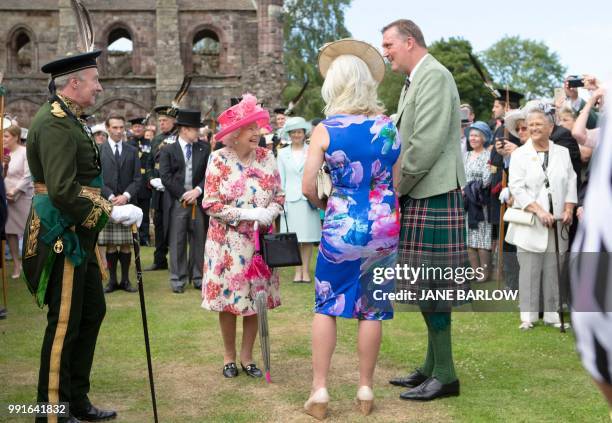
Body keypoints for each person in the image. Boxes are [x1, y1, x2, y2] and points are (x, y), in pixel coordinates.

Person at [24, 50, 142, 422]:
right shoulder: (56, 122)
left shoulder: (72, 119)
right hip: (63, 234)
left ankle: (76, 400)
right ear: (74, 84)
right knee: (64, 323)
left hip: (79, 234)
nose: (100, 86)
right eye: (95, 80)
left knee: (91, 311)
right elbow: (60, 189)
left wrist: (106, 200)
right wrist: (109, 210)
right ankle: (51, 411)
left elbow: (83, 178)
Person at [301, 38, 400, 419]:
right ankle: (365, 389)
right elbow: (394, 180)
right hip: (383, 224)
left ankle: (321, 391)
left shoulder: (326, 129)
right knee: (372, 309)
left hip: (342, 224)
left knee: (327, 304)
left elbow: (308, 186)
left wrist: (327, 205)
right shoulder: (386, 126)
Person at [382, 19, 467, 401]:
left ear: (409, 41)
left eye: (389, 45)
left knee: (432, 284)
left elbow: (424, 145)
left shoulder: (432, 75)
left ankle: (446, 375)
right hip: (423, 194)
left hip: (431, 193)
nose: (385, 52)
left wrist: (394, 192)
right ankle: (433, 367)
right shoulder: (416, 79)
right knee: (424, 283)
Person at [201, 94, 284, 379]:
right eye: (251, 129)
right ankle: (228, 357)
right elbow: (210, 203)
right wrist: (249, 215)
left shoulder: (267, 157)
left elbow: (280, 196)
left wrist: (269, 212)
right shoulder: (218, 159)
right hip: (225, 245)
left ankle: (248, 357)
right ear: (235, 134)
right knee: (228, 300)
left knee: (254, 302)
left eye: (259, 128)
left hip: (257, 245)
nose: (258, 133)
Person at [505, 108, 577, 330]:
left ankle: (552, 314)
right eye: (531, 125)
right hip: (531, 220)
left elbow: (571, 181)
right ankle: (528, 316)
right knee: (529, 269)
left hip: (558, 222)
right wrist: (539, 211)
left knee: (554, 267)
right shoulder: (519, 154)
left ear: (550, 128)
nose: (534, 128)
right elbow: (516, 186)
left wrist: (569, 209)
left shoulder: (562, 152)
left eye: (539, 124)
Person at [159, 109, 210, 293]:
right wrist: (183, 194)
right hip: (177, 202)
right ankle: (178, 279)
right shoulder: (167, 150)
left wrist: (197, 191)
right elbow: (165, 176)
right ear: (185, 130)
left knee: (199, 240)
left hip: (198, 202)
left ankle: (198, 277)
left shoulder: (204, 149)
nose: (199, 132)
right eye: (196, 129)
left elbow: (209, 174)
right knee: (178, 241)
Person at [98, 115, 141, 293]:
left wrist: (125, 195)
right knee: (110, 244)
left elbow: (138, 179)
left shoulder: (132, 150)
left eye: (121, 127)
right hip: (107, 203)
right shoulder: (99, 150)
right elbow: (96, 178)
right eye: (115, 127)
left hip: (127, 204)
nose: (118, 131)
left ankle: (125, 281)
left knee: (125, 243)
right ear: (108, 128)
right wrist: (110, 196)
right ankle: (112, 281)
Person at [277, 116, 321, 283]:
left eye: (299, 132)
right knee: (295, 238)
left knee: (308, 238)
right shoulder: (282, 153)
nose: (297, 135)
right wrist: (282, 201)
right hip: (290, 199)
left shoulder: (312, 150)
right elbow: (280, 179)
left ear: (304, 133)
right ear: (289, 134)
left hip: (308, 198)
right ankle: (297, 271)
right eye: (294, 132)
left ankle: (306, 271)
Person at [145, 105, 176, 271]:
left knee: (173, 224)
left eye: (165, 120)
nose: (162, 124)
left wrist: (168, 181)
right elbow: (149, 162)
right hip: (158, 188)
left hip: (172, 189)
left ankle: (176, 260)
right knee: (158, 223)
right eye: (160, 121)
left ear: (173, 121)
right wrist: (151, 179)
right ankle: (159, 259)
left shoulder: (178, 138)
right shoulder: (156, 139)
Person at [463, 121, 492, 282]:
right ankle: (474, 272)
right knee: (469, 240)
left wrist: (471, 188)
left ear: (484, 138)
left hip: (480, 202)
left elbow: (487, 179)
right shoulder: (466, 155)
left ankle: (484, 273)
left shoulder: (488, 156)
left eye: (476, 135)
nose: (472, 138)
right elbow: (460, 175)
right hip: (466, 202)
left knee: (482, 240)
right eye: (471, 135)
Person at [3, 124, 32, 279]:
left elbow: (28, 176)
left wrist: (16, 190)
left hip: (22, 197)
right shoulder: (3, 154)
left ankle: (30, 263)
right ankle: (16, 264)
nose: (3, 139)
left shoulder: (25, 152)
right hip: (6, 198)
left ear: (15, 137)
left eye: (6, 136)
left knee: (27, 231)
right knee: (10, 233)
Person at [128, 117, 153, 246]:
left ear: (144, 128)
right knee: (132, 211)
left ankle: (144, 238)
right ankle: (133, 237)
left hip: (145, 183)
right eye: (135, 127)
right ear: (132, 129)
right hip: (131, 183)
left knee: (144, 211)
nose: (137, 128)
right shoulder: (127, 144)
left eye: (140, 126)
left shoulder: (150, 143)